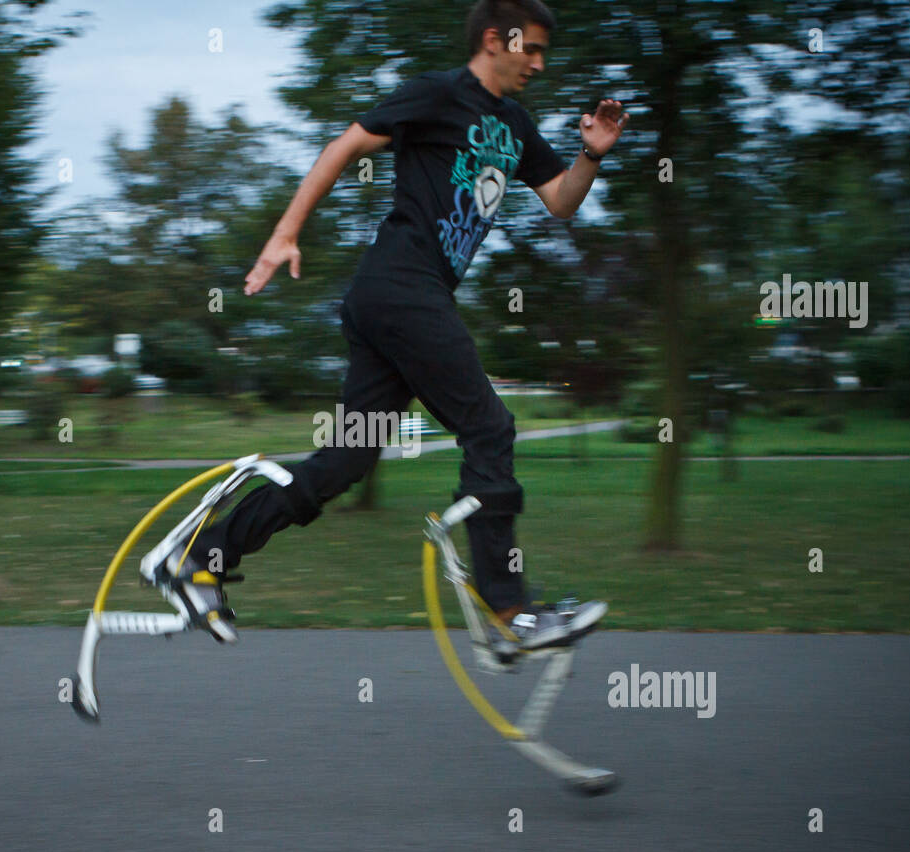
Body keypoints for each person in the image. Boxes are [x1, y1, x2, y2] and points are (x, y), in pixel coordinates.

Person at [153, 0, 628, 647]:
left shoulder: (515, 124)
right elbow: (346, 144)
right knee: (489, 426)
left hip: (397, 302)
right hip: (402, 289)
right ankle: (510, 612)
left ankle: (202, 557)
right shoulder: (437, 95)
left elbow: (561, 202)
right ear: (496, 39)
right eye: (532, 49)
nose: (540, 65)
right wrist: (284, 235)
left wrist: (592, 154)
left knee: (346, 460)